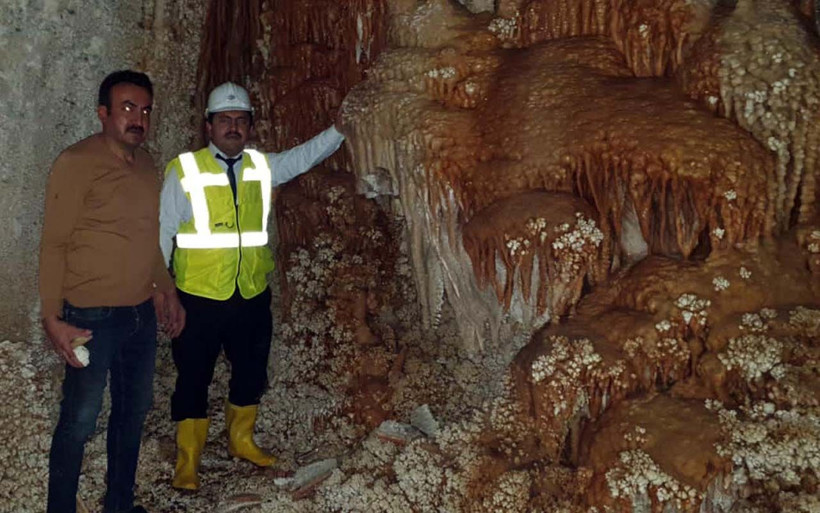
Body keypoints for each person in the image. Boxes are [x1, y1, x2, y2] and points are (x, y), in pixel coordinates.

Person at [159, 82, 344, 490]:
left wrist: (340, 130)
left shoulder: (261, 167)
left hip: (250, 294)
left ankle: (241, 440)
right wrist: (163, 289)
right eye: (225, 120)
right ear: (209, 126)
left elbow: (302, 158)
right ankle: (188, 458)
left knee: (250, 371)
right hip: (199, 296)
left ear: (250, 127)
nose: (233, 127)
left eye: (240, 120)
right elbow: (164, 230)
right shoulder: (184, 170)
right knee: (193, 377)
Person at [39, 70, 185, 513]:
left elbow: (148, 238)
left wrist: (166, 289)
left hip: (139, 315)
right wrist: (52, 318)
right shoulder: (76, 162)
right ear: (103, 113)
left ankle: (119, 505)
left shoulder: (147, 165)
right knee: (79, 421)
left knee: (132, 413)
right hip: (91, 316)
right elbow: (54, 244)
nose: (138, 118)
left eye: (145, 110)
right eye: (127, 108)